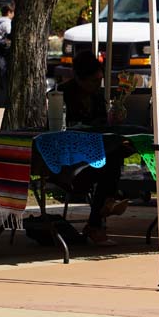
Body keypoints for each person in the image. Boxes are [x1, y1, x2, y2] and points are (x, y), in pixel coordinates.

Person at [59, 51, 128, 244]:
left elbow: (102, 124)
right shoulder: (61, 95)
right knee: (109, 163)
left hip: (92, 158)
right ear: (79, 79)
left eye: (100, 81)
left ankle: (101, 213)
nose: (97, 86)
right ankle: (104, 209)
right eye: (93, 81)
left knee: (113, 156)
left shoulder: (97, 97)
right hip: (69, 161)